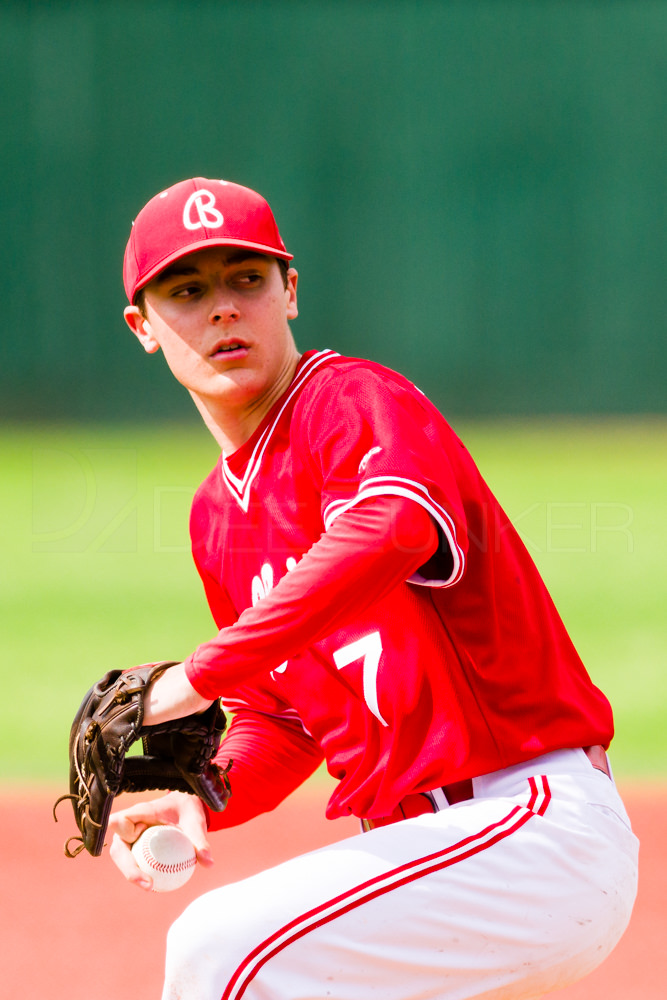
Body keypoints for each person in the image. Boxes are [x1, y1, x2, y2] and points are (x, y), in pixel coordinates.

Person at [110, 176, 638, 1000]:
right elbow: (282, 716)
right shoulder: (216, 518)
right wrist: (197, 793)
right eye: (188, 289)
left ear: (289, 291)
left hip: (525, 828)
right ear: (145, 326)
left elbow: (389, 528)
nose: (223, 308)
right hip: (429, 860)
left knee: (220, 951)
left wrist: (194, 675)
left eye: (246, 279)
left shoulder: (350, 401)